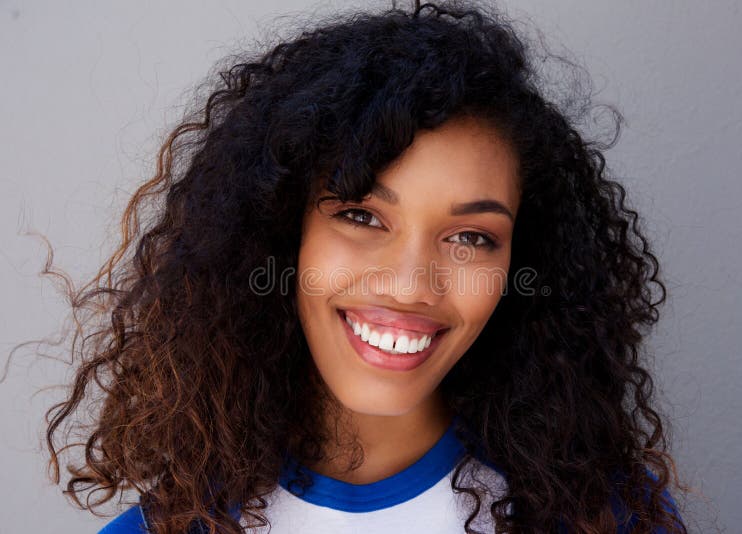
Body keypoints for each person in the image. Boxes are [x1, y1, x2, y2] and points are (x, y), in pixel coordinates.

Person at [42, 1, 689, 532]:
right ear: (280, 234)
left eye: (470, 236)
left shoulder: (604, 518)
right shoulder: (165, 529)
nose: (410, 284)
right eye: (361, 216)